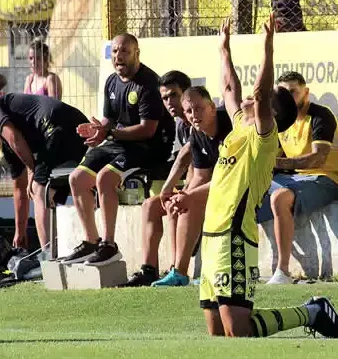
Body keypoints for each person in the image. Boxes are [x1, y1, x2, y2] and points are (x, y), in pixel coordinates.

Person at [199, 15, 338, 339]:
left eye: (256, 100)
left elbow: (260, 94)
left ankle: (311, 312)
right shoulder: (240, 127)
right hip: (211, 235)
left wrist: (268, 47)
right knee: (218, 333)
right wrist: (224, 51)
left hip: (234, 235)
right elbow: (229, 88)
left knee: (237, 330)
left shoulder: (263, 139)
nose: (247, 100)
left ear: (271, 113)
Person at [61, 33, 175, 267]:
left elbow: (148, 130)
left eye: (124, 51)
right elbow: (108, 120)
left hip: (147, 147)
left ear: (136, 53)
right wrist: (97, 130)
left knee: (105, 178)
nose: (118, 56)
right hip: (117, 143)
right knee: (77, 179)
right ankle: (92, 241)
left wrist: (109, 133)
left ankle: (109, 245)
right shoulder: (112, 81)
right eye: (114, 52)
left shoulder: (149, 84)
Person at [125, 86, 233, 287]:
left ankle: (180, 272)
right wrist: (176, 193)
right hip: (218, 186)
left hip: (242, 184)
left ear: (211, 106)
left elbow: (231, 177)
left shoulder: (229, 124)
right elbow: (200, 175)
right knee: (154, 205)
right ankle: (151, 270)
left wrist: (188, 196)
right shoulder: (196, 132)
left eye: (199, 108)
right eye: (190, 111)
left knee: (187, 203)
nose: (194, 115)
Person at [258, 71, 338, 284]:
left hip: (329, 178)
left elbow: (317, 159)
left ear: (306, 93)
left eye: (294, 92)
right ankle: (242, 267)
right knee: (244, 192)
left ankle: (282, 271)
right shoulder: (280, 120)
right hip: (299, 179)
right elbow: (275, 156)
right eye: (284, 93)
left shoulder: (320, 115)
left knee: (279, 198)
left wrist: (276, 163)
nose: (289, 97)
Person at [0, 90, 87, 251]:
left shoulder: (5, 117)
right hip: (75, 129)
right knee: (51, 194)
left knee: (40, 190)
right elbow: (19, 188)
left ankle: (48, 255)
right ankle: (61, 249)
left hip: (60, 126)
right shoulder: (8, 148)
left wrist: (32, 170)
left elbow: (14, 137)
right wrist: (20, 232)